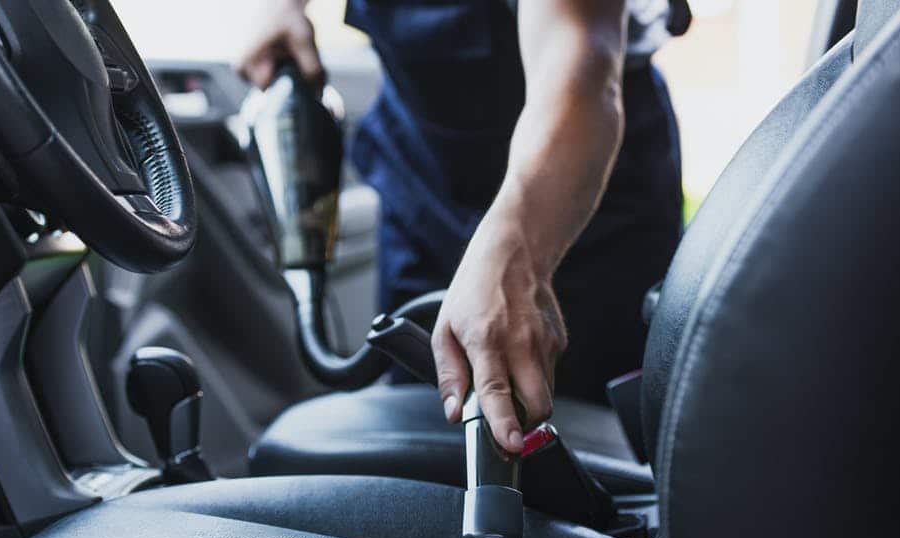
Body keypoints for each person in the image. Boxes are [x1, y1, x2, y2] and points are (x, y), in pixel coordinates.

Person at [241, 0, 686, 454]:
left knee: (600, 451)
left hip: (584, 192)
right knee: (428, 421)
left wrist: (519, 256)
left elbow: (578, 70)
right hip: (424, 171)